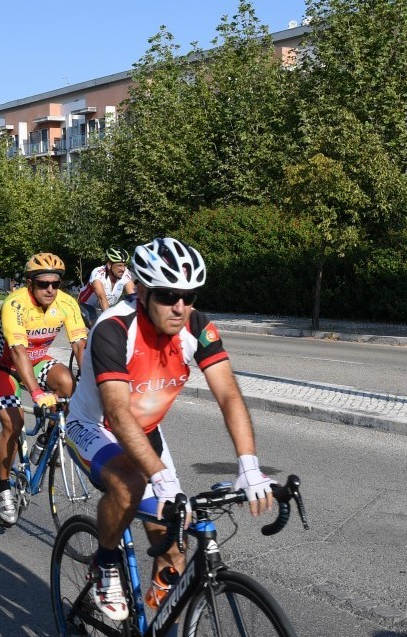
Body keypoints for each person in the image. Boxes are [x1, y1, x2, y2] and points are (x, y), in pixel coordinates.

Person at [67, 238, 275, 620]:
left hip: (146, 433)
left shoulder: (196, 326)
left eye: (189, 295)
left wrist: (248, 464)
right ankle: (105, 563)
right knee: (130, 484)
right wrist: (158, 476)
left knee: (173, 545)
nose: (180, 307)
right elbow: (118, 411)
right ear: (142, 291)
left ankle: (150, 620)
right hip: (96, 426)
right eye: (167, 295)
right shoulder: (113, 327)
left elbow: (229, 395)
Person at [0, 252, 88, 525]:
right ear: (30, 283)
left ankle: (44, 441)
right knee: (14, 424)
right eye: (43, 284)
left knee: (68, 385)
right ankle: (4, 487)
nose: (50, 289)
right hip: (4, 365)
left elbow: (79, 346)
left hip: (37, 361)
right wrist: (37, 393)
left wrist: (91, 382)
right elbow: (17, 352)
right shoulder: (14, 304)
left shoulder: (66, 304)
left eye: (55, 283)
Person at [76, 247, 136, 327]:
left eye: (124, 265)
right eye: (119, 265)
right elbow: (102, 298)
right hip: (87, 304)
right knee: (99, 328)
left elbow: (133, 296)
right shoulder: (98, 273)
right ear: (109, 265)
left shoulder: (125, 274)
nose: (123, 269)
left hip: (107, 305)